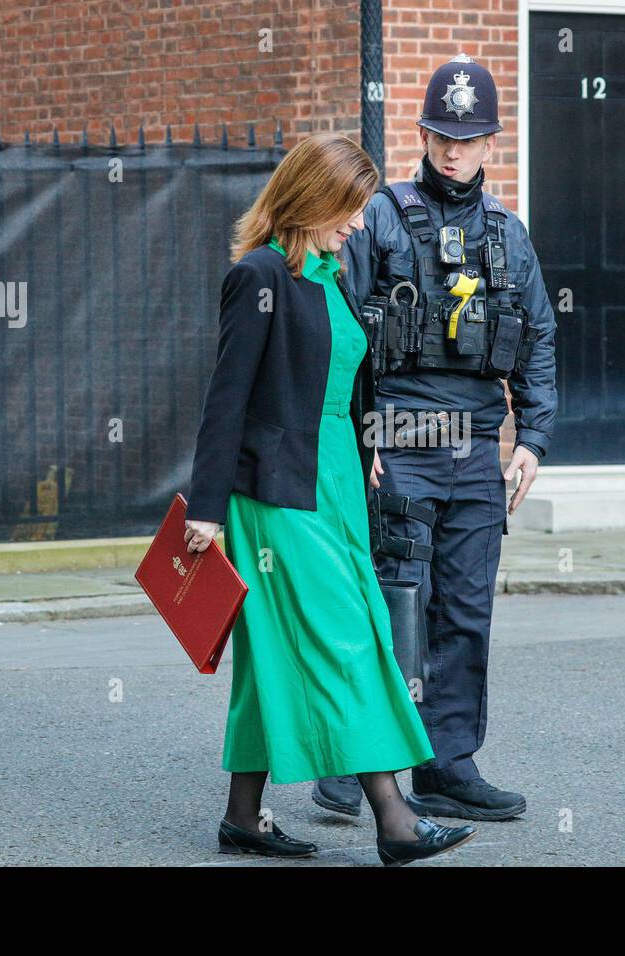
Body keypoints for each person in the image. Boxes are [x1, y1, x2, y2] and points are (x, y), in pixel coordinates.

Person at [182, 132, 476, 867]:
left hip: (339, 482)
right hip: (281, 497)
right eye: (346, 210)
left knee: (272, 657)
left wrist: (366, 453)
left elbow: (342, 382)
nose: (355, 226)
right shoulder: (259, 277)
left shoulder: (332, 275)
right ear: (311, 200)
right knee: (346, 639)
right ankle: (394, 817)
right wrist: (205, 509)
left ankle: (242, 816)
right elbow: (227, 399)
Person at [315, 54, 558, 822]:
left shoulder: (508, 234)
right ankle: (358, 764)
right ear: (422, 133)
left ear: (491, 142)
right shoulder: (380, 217)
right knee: (395, 606)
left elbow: (539, 336)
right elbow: (342, 327)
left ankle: (447, 763)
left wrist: (535, 438)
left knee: (463, 610)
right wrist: (364, 436)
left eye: (470, 137)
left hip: (476, 451)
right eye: (443, 136)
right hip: (399, 439)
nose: (454, 151)